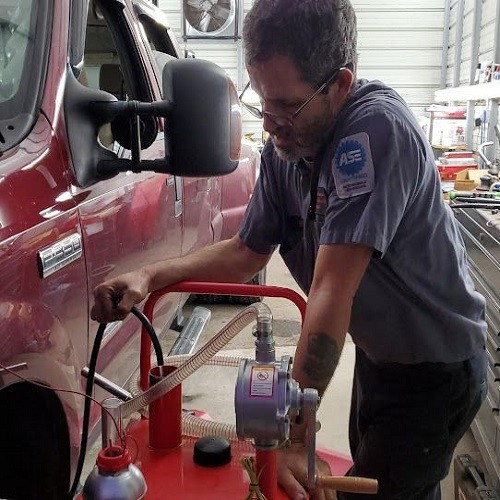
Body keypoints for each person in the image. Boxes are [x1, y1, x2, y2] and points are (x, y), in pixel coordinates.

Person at [91, 1, 487, 498]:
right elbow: (247, 251)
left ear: (339, 85)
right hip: (380, 358)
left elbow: (330, 293)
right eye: (263, 103)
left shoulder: (372, 133)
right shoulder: (288, 149)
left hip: (436, 369)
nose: (271, 125)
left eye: (288, 107)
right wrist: (151, 276)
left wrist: (294, 438)